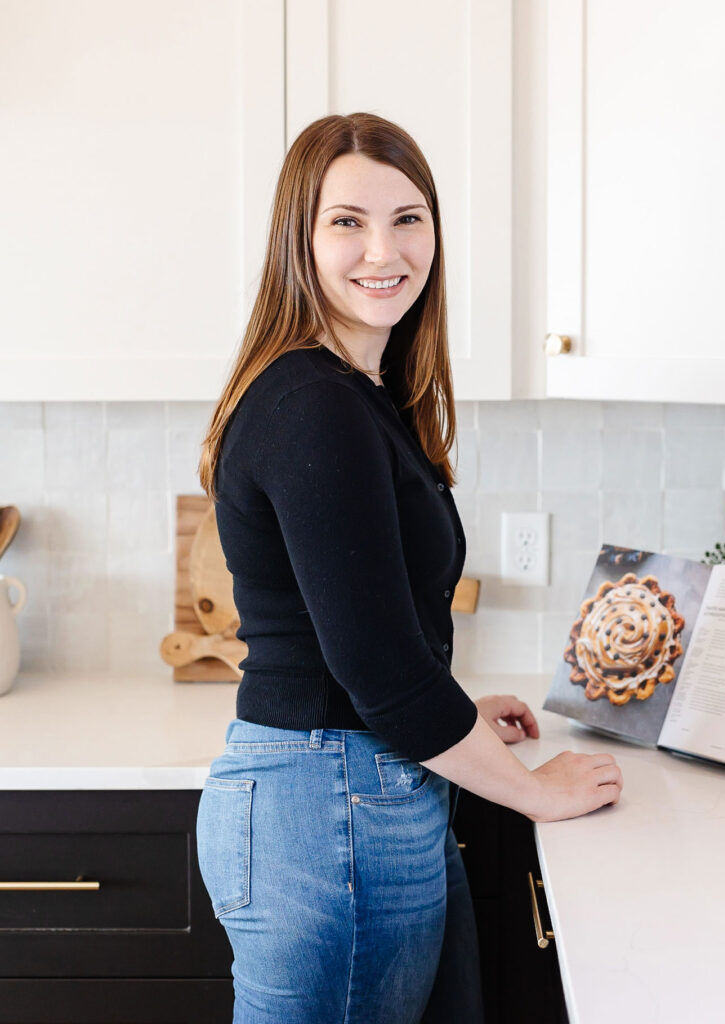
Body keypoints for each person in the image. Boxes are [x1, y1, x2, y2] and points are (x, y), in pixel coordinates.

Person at [195, 112, 623, 1024]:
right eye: (346, 221)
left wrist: (458, 717)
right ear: (297, 240)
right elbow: (377, 667)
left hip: (338, 793)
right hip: (333, 808)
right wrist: (532, 794)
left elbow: (365, 635)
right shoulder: (315, 404)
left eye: (409, 217)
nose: (383, 249)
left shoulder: (356, 395)